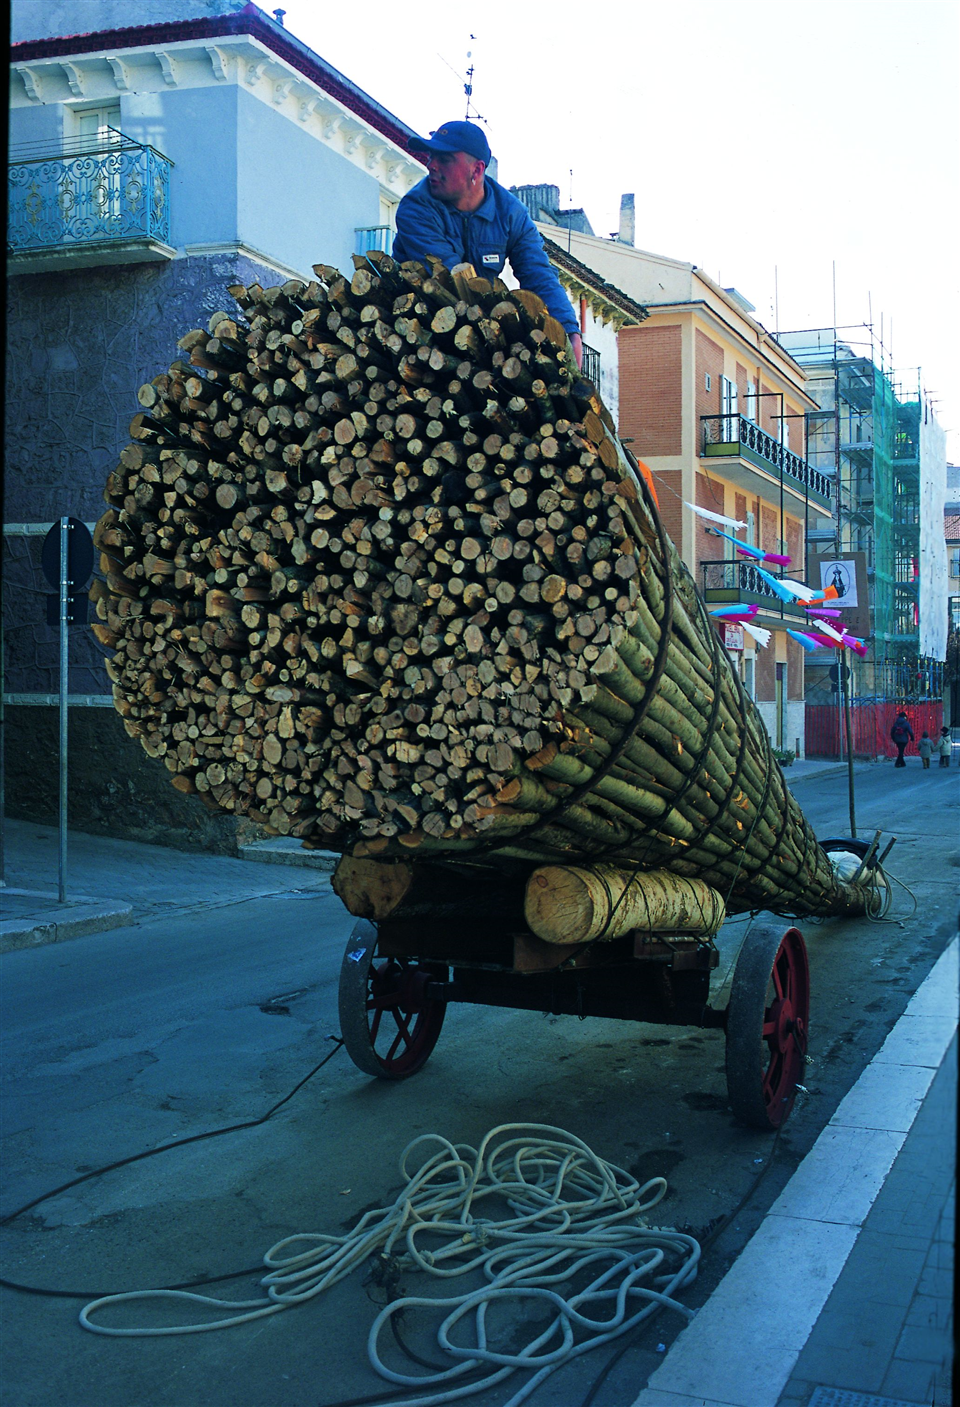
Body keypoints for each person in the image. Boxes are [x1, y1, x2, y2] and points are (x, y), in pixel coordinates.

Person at [393, 120, 583, 369]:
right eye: (431, 157)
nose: (431, 165)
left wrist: (569, 332)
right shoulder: (415, 208)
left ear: (477, 169)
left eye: (445, 159)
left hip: (477, 332)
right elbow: (451, 281)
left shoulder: (512, 214)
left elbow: (539, 275)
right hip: (419, 332)